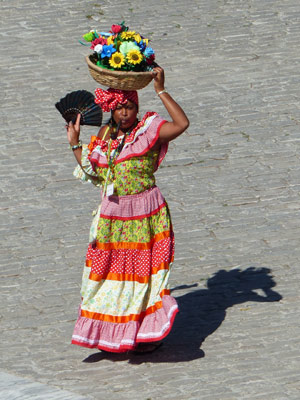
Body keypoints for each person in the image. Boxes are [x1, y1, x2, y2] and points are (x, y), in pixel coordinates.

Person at [67, 66, 189, 353]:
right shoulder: (106, 134)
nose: (124, 113)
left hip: (146, 214)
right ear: (111, 109)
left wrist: (161, 89)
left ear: (137, 107)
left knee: (144, 277)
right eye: (119, 107)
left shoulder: (149, 129)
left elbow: (181, 124)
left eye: (130, 106)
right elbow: (95, 173)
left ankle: (145, 334)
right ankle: (113, 333)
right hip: (112, 216)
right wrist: (74, 144)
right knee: (108, 275)